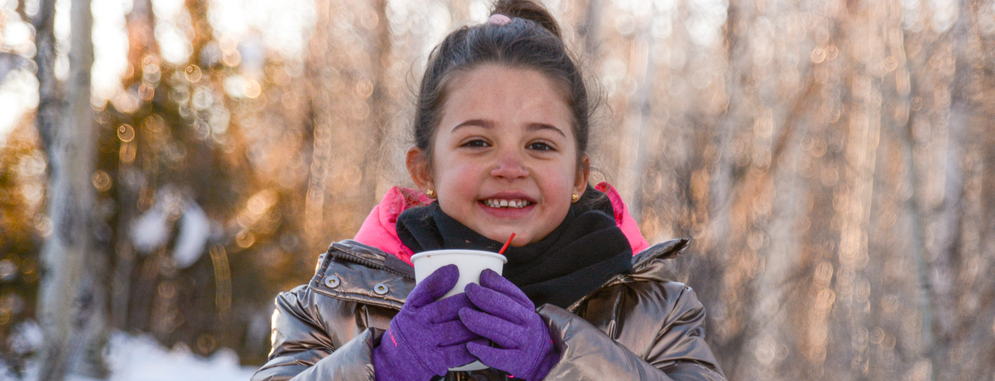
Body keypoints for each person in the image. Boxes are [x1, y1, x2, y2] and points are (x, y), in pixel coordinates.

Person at [251, 0, 725, 380]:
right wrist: (384, 368)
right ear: (425, 170)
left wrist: (559, 363)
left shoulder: (659, 314)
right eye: (477, 142)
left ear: (580, 175)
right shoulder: (333, 307)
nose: (509, 166)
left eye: (539, 144)